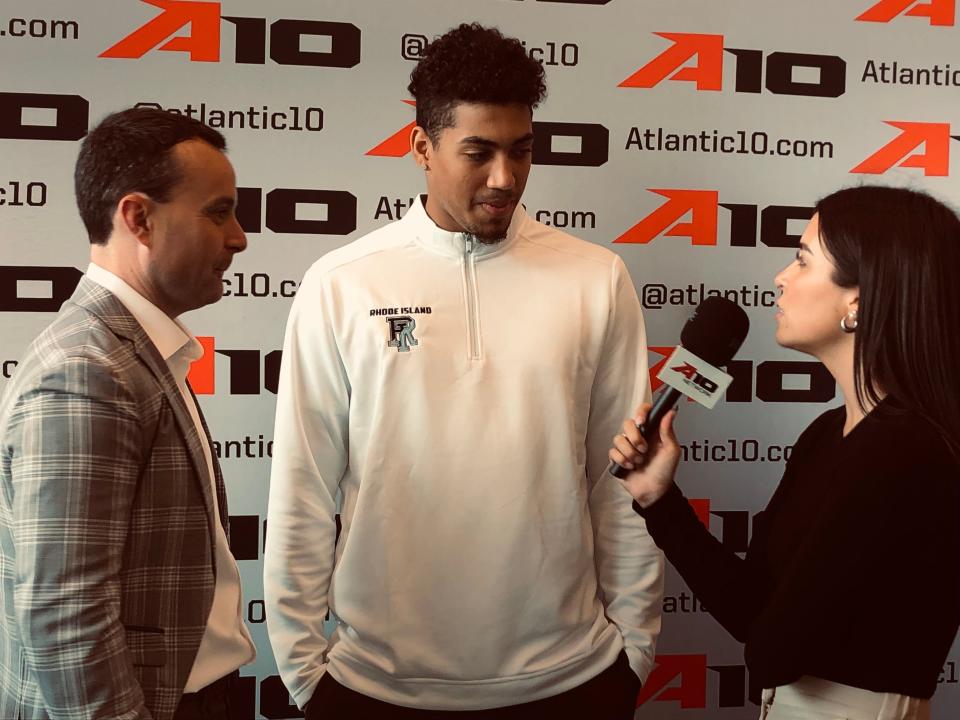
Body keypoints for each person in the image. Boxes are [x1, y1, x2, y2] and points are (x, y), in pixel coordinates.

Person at [265, 22, 663, 718]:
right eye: (477, 153)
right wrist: (303, 672)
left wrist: (634, 652)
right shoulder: (343, 283)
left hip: (573, 681)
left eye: (522, 151)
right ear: (421, 147)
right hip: (374, 687)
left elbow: (619, 482)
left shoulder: (597, 278)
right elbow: (302, 485)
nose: (504, 178)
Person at [609, 184, 960, 720]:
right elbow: (753, 614)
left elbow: (774, 651)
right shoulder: (827, 433)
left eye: (802, 261)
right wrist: (660, 499)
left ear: (858, 304)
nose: (780, 278)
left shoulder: (907, 452)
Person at [0, 107, 254, 720]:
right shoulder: (87, 370)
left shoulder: (132, 351)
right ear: (138, 217)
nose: (239, 237)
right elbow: (66, 618)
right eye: (217, 211)